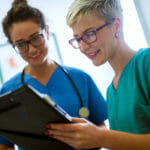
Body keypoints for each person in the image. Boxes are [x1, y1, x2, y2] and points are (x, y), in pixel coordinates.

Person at [0, 0, 108, 150]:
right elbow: (5, 145)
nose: (31, 50)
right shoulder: (8, 91)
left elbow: (103, 129)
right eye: (21, 44)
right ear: (13, 45)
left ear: (47, 31)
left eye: (36, 38)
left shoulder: (80, 78)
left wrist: (91, 136)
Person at [45, 0, 150, 150]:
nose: (83, 46)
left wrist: (100, 137)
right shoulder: (112, 90)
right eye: (78, 39)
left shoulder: (146, 63)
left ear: (116, 26)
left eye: (89, 34)